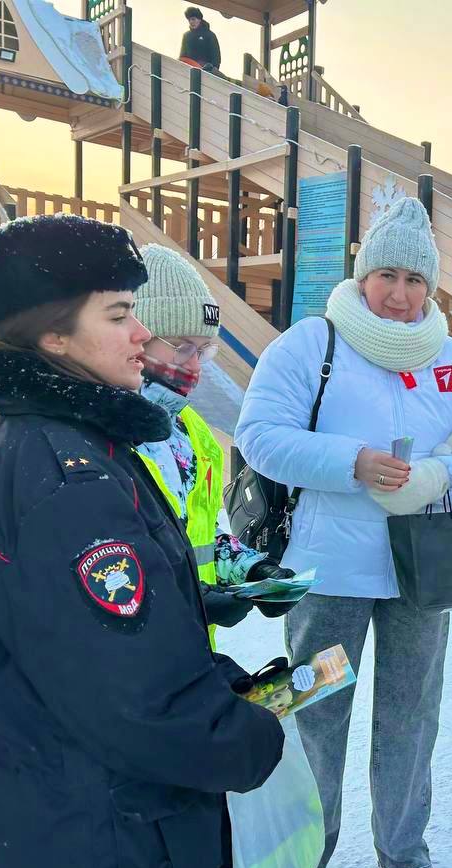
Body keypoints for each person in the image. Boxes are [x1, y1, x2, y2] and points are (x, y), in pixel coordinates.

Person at [0, 215, 328, 868]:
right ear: (56, 337)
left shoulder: (76, 446)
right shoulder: (66, 482)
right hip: (98, 843)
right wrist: (246, 735)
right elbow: (135, 703)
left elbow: (112, 651)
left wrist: (225, 682)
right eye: (120, 316)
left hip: (93, 825)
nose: (142, 337)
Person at [235, 197, 452, 868]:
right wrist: (350, 461)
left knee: (412, 712)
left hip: (423, 569)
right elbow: (259, 433)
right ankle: (307, 854)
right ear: (362, 276)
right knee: (317, 707)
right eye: (386, 274)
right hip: (331, 572)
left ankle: (403, 849)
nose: (400, 293)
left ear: (432, 288)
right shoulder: (310, 344)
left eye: (415, 280)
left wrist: (442, 477)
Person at [132, 244, 294, 643]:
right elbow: (101, 567)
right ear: (137, 335)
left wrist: (254, 570)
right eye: (182, 346)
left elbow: (201, 539)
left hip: (187, 652)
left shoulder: (191, 432)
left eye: (204, 350)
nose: (195, 364)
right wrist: (187, 598)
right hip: (127, 661)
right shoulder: (99, 440)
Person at [180, 6, 222, 73]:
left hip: (206, 71)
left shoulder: (210, 35)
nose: (191, 22)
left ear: (199, 19)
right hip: (189, 70)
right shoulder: (186, 36)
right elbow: (182, 56)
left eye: (193, 19)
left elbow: (216, 58)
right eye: (189, 20)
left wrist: (212, 68)